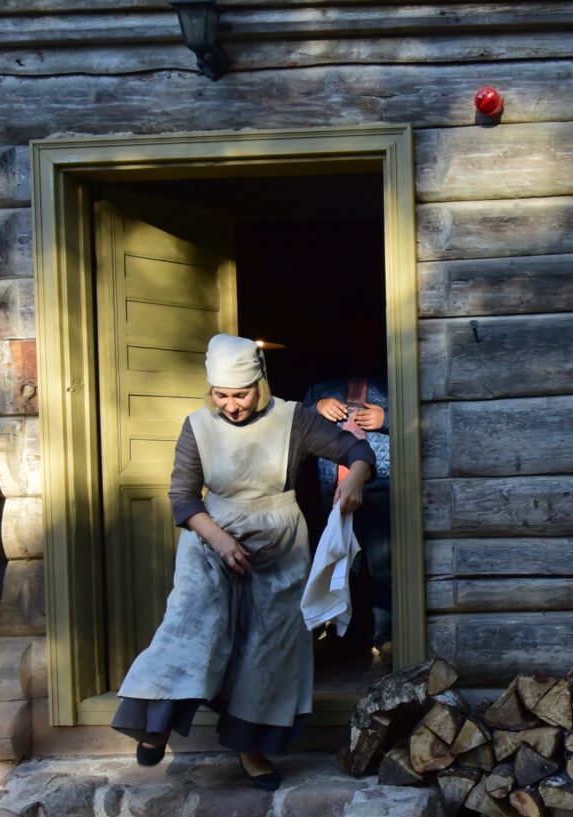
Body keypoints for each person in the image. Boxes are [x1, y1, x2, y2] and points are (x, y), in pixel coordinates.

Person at [112, 334, 376, 789]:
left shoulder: (294, 419)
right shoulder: (197, 426)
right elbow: (181, 497)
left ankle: (249, 748)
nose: (231, 405)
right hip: (212, 536)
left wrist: (355, 479)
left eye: (241, 394)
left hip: (279, 541)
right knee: (192, 624)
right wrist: (219, 541)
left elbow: (356, 450)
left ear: (261, 385)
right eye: (221, 395)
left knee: (268, 646)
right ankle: (155, 723)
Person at [302, 373, 393, 665]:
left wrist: (387, 416)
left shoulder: (390, 382)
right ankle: (342, 641)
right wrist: (317, 408)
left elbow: (424, 418)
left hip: (382, 488)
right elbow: (288, 421)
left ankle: (385, 641)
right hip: (334, 491)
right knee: (339, 565)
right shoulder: (321, 387)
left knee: (382, 567)